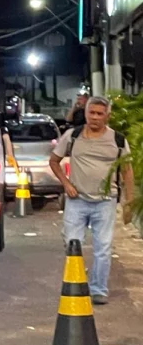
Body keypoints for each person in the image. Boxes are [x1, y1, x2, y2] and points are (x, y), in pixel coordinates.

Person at [49, 96, 133, 305]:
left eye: (99, 114)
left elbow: (127, 171)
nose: (94, 117)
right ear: (85, 113)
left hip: (106, 201)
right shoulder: (73, 136)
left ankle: (98, 289)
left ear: (107, 116)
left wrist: (129, 202)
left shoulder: (118, 140)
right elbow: (54, 161)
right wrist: (66, 184)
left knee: (103, 247)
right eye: (91, 113)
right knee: (72, 243)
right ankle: (76, 280)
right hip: (77, 201)